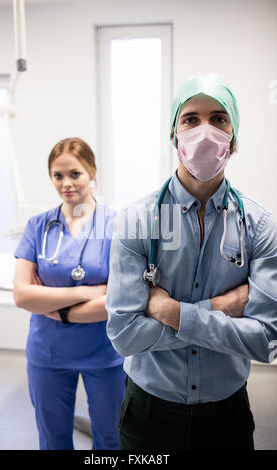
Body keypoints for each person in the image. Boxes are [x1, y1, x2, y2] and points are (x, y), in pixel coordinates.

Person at [105, 74, 277, 450]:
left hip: (226, 415)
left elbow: (266, 339)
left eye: (218, 119)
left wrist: (173, 312)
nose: (204, 131)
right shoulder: (137, 221)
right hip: (148, 414)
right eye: (190, 119)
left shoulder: (259, 225)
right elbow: (124, 335)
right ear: (174, 134)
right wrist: (218, 308)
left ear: (234, 136)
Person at [13, 137, 125, 450]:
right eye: (58, 175)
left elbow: (118, 301)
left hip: (104, 353)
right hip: (47, 353)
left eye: (75, 174)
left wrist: (52, 304)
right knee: (53, 439)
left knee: (111, 439)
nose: (66, 183)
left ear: (92, 173)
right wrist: (88, 291)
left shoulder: (116, 226)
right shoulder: (39, 225)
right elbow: (22, 295)